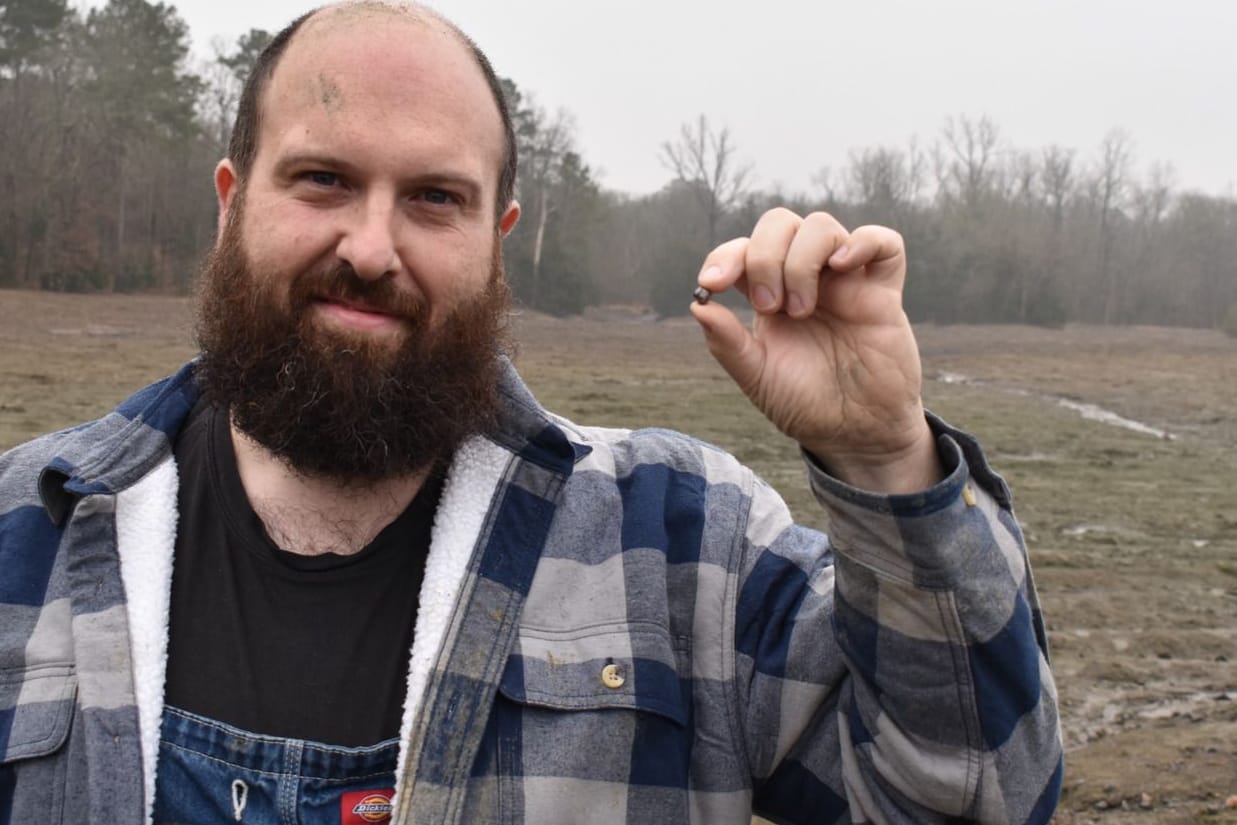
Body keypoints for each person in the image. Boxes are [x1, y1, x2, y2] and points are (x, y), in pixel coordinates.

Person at [0, 3, 1062, 823]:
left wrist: (881, 456)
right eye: (322, 180)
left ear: (497, 235)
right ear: (232, 202)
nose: (372, 248)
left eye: (434, 199)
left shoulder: (682, 546)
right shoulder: (28, 538)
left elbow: (973, 797)